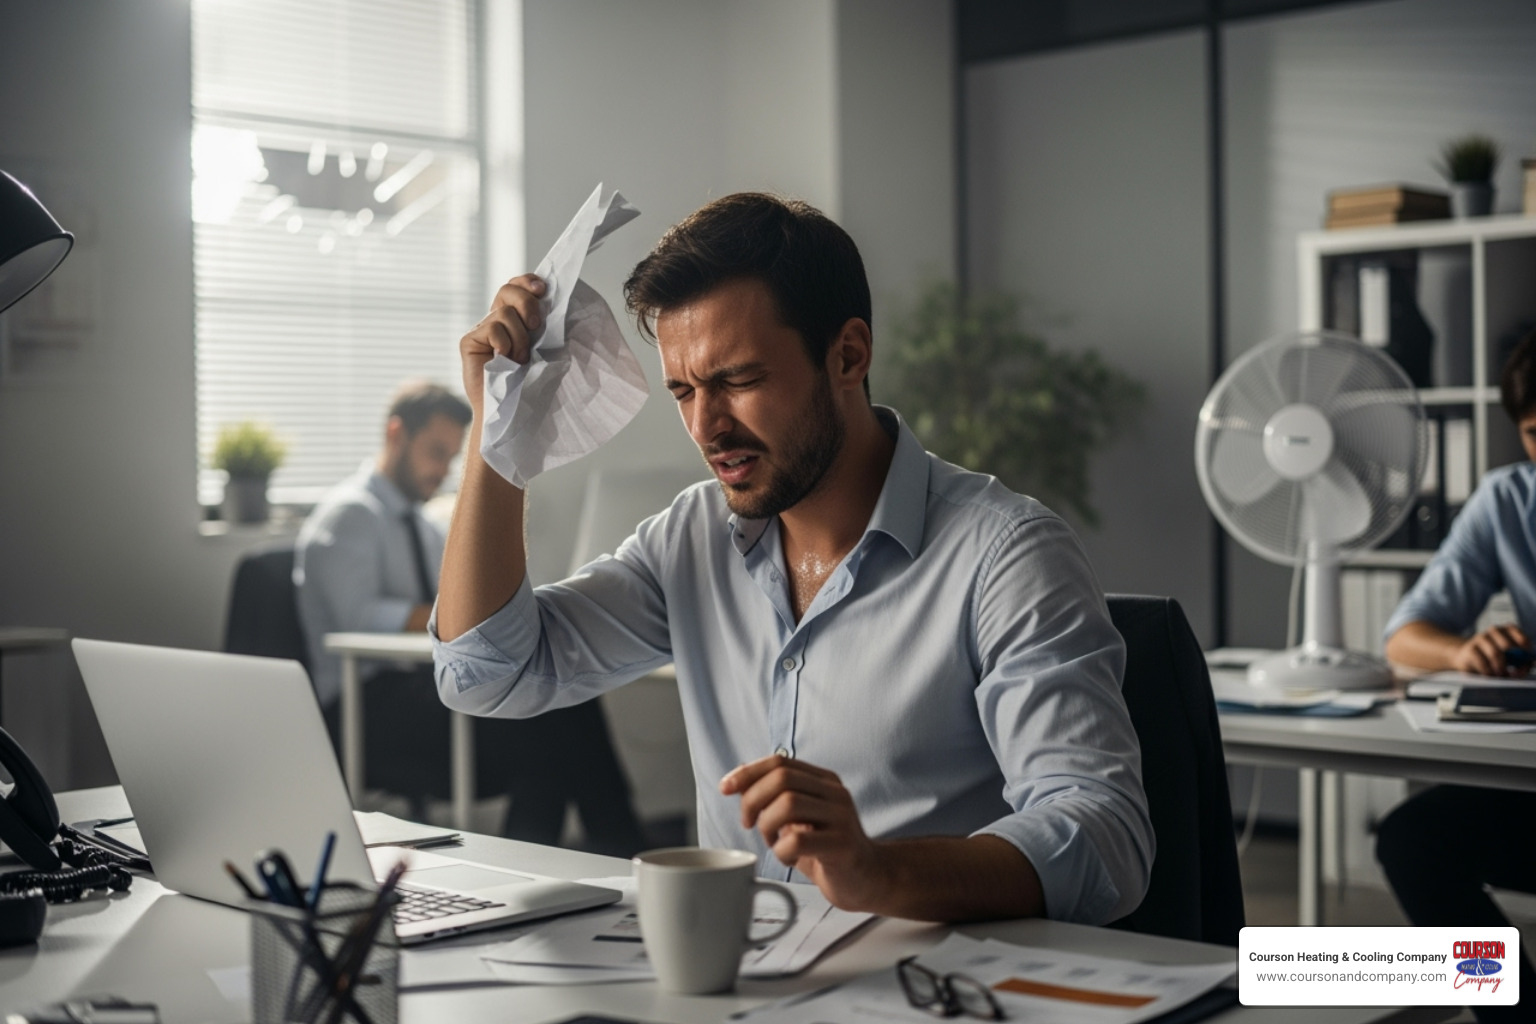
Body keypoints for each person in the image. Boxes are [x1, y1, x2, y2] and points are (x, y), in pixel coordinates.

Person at [433, 193, 1153, 924]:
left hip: (935, 985)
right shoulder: (691, 539)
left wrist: (876, 872)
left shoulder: (1004, 555)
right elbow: (488, 674)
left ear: (848, 356)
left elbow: (1104, 835)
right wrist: (499, 440)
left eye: (737, 382)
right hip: (742, 979)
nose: (706, 427)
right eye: (682, 391)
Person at [296, 380, 645, 853]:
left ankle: (549, 858)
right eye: (435, 452)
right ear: (396, 434)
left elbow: (462, 603)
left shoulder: (423, 524)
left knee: (558, 694)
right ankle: (620, 846)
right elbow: (357, 616)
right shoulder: (348, 516)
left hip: (424, 689)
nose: (442, 470)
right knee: (551, 720)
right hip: (367, 706)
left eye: (451, 457)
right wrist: (462, 615)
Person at [1378, 329, 1536, 1024]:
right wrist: (1463, 651)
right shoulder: (1509, 501)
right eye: (1535, 432)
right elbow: (1403, 639)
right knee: (1413, 839)